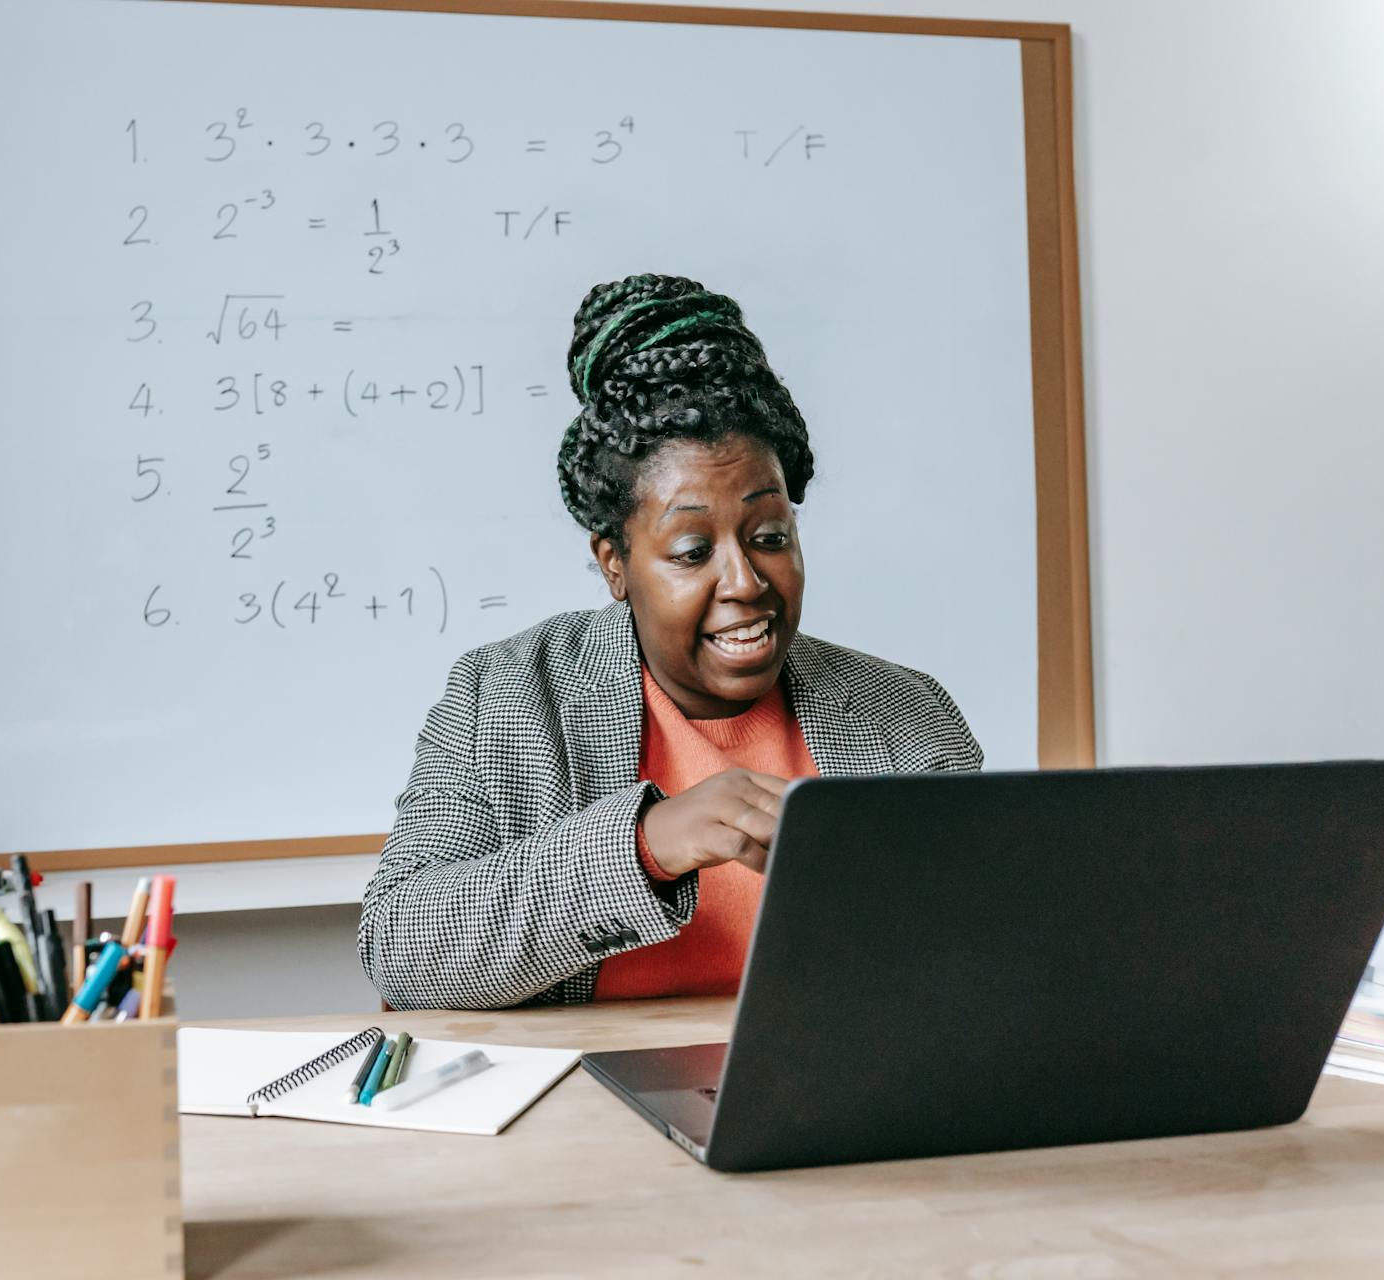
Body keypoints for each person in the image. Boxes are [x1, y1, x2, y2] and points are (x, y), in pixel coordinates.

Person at [358, 273, 982, 1011]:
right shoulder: (506, 697)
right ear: (615, 564)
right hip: (579, 1112)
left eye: (770, 536)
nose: (745, 581)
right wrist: (645, 845)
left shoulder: (903, 715)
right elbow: (401, 943)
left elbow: (986, 950)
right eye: (691, 551)